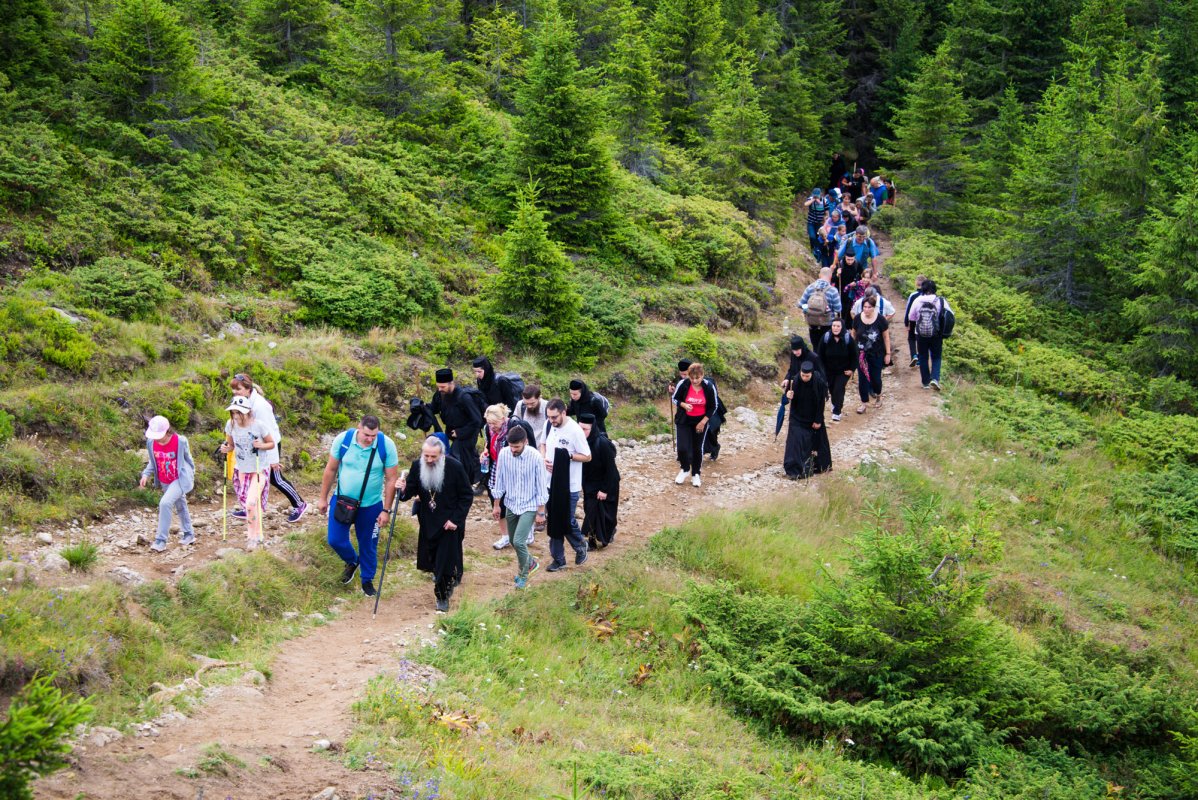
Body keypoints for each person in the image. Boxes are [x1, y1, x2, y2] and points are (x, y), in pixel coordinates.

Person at [316, 415, 400, 597]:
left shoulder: (386, 445)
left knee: (368, 544)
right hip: (342, 501)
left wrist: (386, 510)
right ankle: (352, 561)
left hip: (371, 505)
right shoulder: (343, 440)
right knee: (335, 540)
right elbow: (330, 469)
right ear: (358, 428)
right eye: (366, 435)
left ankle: (367, 581)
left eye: (374, 435)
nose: (370, 439)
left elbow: (392, 478)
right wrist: (323, 498)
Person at [398, 436, 473, 612]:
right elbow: (409, 491)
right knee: (432, 560)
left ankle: (442, 597)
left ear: (442, 454)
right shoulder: (418, 466)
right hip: (428, 521)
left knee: (445, 562)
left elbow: (466, 496)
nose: (430, 460)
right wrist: (401, 489)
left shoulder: (455, 467)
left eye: (434, 457)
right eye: (427, 456)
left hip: (449, 524)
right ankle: (445, 580)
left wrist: (455, 520)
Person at [229, 372, 307, 524]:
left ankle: (299, 504)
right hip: (256, 445)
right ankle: (249, 508)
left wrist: (274, 459)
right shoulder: (245, 401)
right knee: (257, 476)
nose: (235, 392)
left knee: (274, 477)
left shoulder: (260, 406)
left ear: (247, 388)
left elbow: (270, 432)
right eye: (233, 389)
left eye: (238, 389)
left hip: (270, 444)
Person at [490, 424, 546, 590]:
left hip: (529, 505)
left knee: (520, 542)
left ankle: (523, 575)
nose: (513, 449)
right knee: (514, 542)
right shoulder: (504, 454)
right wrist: (496, 505)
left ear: (525, 442)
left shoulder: (535, 457)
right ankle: (530, 562)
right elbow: (499, 481)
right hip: (511, 504)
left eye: (517, 446)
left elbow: (542, 486)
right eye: (511, 446)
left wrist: (541, 512)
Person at [220, 396, 276, 550]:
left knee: (251, 503)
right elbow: (230, 445)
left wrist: (261, 445)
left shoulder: (259, 426)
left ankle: (252, 537)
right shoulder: (230, 425)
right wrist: (226, 448)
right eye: (233, 412)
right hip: (242, 469)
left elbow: (271, 443)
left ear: (248, 412)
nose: (236, 416)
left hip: (259, 469)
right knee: (249, 504)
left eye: (239, 412)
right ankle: (257, 533)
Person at [542, 399, 591, 571]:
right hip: (549, 481)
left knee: (566, 520)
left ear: (563, 413)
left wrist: (567, 457)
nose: (551, 420)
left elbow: (587, 456)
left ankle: (580, 546)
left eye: (554, 417)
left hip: (569, 484)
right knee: (554, 521)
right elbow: (542, 444)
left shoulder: (574, 431)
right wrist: (544, 459)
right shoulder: (548, 424)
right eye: (549, 417)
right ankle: (559, 559)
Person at [139, 415, 196, 552]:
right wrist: (146, 474)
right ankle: (189, 534)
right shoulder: (151, 443)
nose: (156, 438)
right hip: (165, 480)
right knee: (180, 504)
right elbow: (153, 463)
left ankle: (160, 540)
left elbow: (188, 460)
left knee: (165, 503)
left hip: (179, 479)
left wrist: (190, 475)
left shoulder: (180, 441)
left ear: (167, 431)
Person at [429, 368, 484, 488]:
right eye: (438, 386)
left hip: (468, 431)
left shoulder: (464, 398)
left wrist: (460, 432)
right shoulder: (440, 394)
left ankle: (464, 484)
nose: (440, 389)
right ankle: (482, 476)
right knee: (470, 455)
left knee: (458, 456)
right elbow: (433, 408)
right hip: (451, 431)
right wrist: (421, 407)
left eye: (442, 386)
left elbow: (477, 420)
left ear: (451, 383)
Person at [783, 362, 832, 479]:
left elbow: (821, 403)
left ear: (811, 374)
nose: (804, 378)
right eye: (803, 375)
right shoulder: (794, 381)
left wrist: (818, 420)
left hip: (812, 417)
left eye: (807, 376)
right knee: (794, 443)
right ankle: (793, 470)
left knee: (816, 442)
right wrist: (788, 395)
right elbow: (787, 398)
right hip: (797, 417)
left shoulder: (818, 383)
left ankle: (817, 466)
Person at [579, 413, 620, 550]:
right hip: (589, 484)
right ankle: (591, 540)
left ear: (592, 428)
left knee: (604, 514)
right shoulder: (580, 442)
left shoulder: (602, 443)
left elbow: (611, 470)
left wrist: (604, 489)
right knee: (590, 510)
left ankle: (600, 537)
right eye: (580, 429)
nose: (582, 432)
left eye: (585, 429)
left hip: (606, 483)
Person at [672, 362, 716, 488]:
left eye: (697, 378)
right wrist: (684, 405)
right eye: (692, 378)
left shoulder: (708, 386)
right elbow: (675, 398)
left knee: (697, 448)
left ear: (702, 375)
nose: (694, 380)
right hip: (684, 420)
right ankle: (685, 469)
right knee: (682, 448)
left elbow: (714, 406)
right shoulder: (684, 384)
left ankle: (696, 473)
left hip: (700, 421)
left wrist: (703, 422)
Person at [908, 279, 952, 391]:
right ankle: (935, 379)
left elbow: (911, 317)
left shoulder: (918, 300)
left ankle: (925, 382)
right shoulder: (940, 301)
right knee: (936, 356)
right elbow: (950, 315)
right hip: (936, 334)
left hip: (920, 333)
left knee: (923, 356)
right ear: (934, 289)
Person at [483, 404, 514, 550]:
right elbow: (488, 445)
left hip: (512, 469)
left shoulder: (513, 429)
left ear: (503, 419)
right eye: (489, 423)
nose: (492, 426)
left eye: (494, 423)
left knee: (514, 501)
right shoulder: (487, 429)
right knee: (497, 502)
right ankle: (505, 536)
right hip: (496, 467)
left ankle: (523, 534)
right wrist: (484, 453)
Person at [853, 296, 891, 414]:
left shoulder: (880, 319)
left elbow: (886, 337)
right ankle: (864, 402)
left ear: (874, 308)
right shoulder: (858, 318)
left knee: (875, 378)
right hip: (861, 354)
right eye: (864, 307)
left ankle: (878, 395)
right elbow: (853, 334)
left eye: (869, 307)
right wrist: (850, 350)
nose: (866, 309)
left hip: (876, 353)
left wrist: (888, 353)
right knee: (862, 378)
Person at [817, 318, 855, 422]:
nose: (835, 328)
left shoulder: (848, 338)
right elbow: (819, 355)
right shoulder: (826, 337)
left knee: (839, 389)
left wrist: (851, 369)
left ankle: (837, 411)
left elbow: (854, 355)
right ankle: (836, 403)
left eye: (838, 326)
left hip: (843, 371)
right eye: (834, 326)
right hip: (828, 370)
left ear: (842, 327)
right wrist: (821, 370)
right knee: (832, 389)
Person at [800, 266, 844, 345]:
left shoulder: (810, 288)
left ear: (819, 275)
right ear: (830, 276)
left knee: (816, 347)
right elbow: (838, 309)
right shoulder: (833, 291)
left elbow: (801, 304)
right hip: (827, 324)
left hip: (812, 323)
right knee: (826, 347)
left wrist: (808, 310)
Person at [903, 275, 929, 369]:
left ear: (916, 283)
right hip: (925, 321)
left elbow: (908, 309)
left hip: (913, 320)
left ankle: (914, 356)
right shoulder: (928, 295)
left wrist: (906, 322)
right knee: (922, 340)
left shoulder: (913, 295)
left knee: (911, 338)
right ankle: (919, 358)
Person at [804, 188, 829, 257]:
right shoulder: (810, 199)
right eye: (814, 195)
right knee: (812, 236)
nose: (816, 196)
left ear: (820, 194)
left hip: (820, 222)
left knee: (818, 237)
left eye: (817, 195)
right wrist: (813, 199)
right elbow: (806, 204)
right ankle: (813, 248)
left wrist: (825, 218)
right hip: (811, 221)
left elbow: (827, 213)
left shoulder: (825, 201)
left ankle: (817, 250)